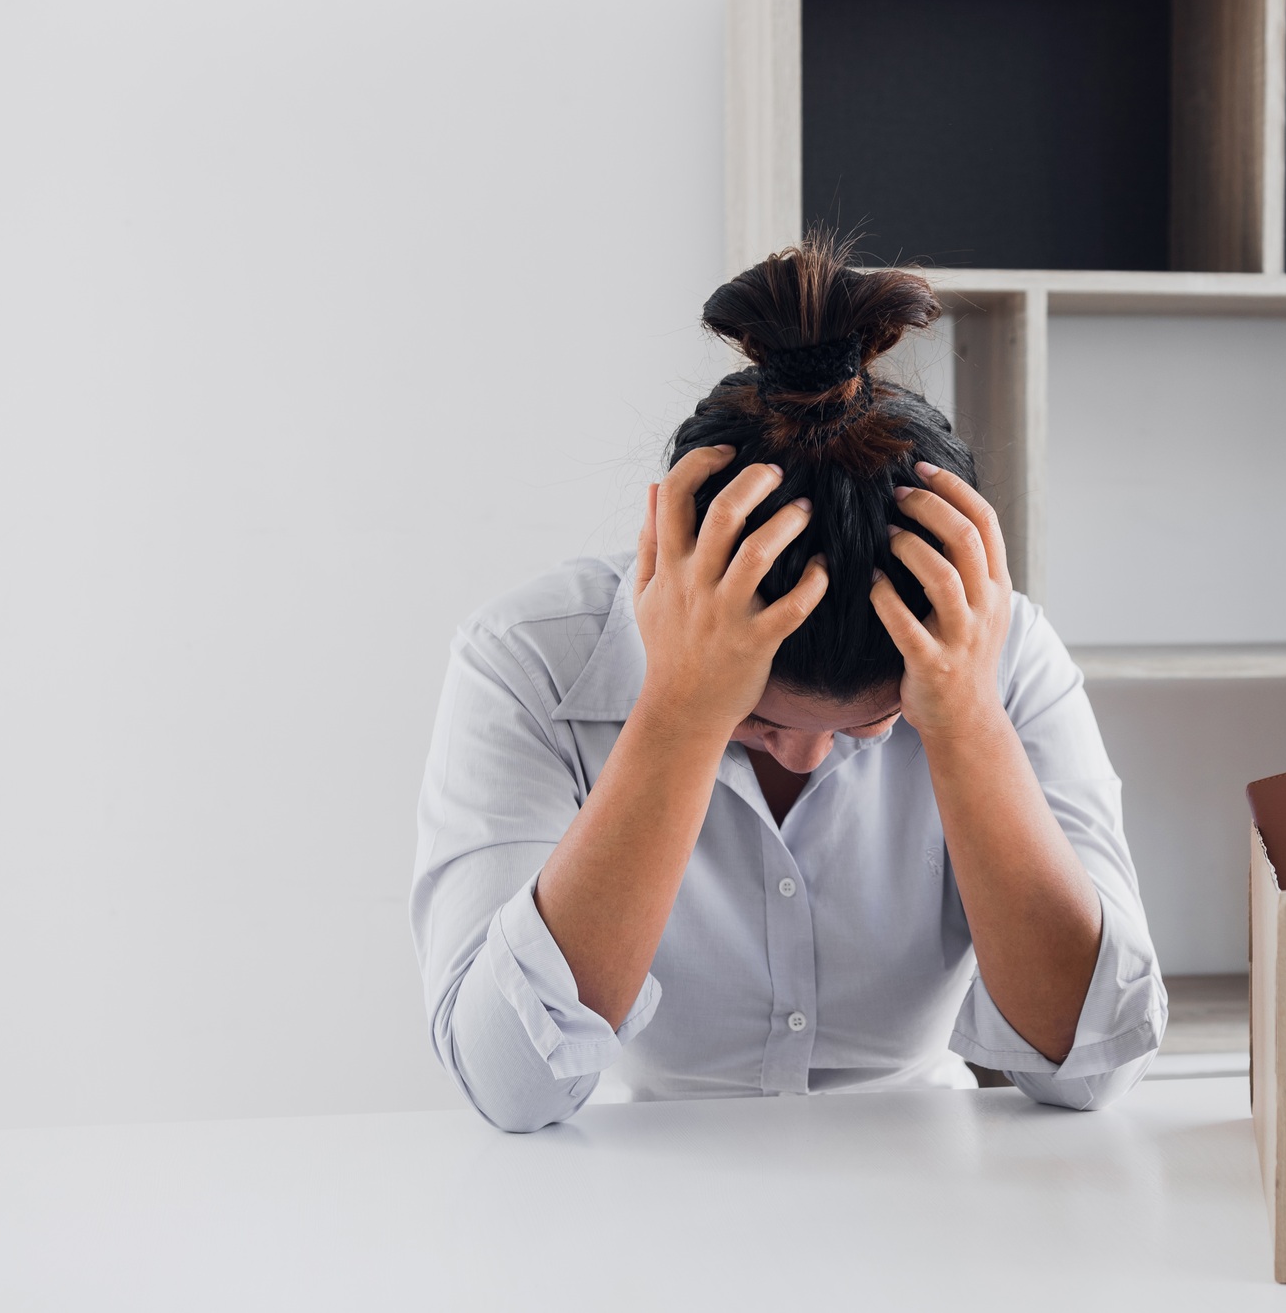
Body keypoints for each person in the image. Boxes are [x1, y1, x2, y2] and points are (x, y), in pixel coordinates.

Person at [410, 237, 1166, 1131]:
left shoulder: (999, 655)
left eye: (869, 726)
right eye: (760, 722)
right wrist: (682, 713)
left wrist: (966, 722)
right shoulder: (525, 659)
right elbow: (507, 1080)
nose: (807, 754)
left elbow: (1094, 1067)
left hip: (928, 1199)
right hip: (631, 1195)